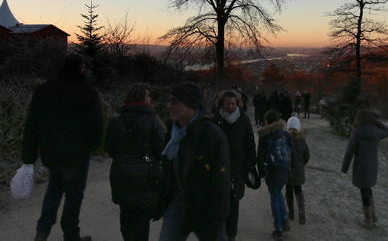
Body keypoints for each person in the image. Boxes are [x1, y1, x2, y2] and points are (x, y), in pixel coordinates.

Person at [21, 53, 103, 241]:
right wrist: (91, 147)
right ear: (81, 69)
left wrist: (29, 155)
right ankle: (71, 235)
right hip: (77, 155)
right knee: (74, 196)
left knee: (54, 190)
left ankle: (42, 232)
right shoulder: (88, 93)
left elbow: (33, 123)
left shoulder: (44, 90)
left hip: (51, 152)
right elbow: (96, 126)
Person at [159, 82, 231, 241]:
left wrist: (218, 216)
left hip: (205, 210)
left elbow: (221, 179)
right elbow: (167, 169)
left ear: (190, 104)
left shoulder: (211, 134)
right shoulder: (172, 131)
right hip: (177, 206)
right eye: (169, 101)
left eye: (174, 102)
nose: (169, 106)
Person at [105, 83, 166, 241]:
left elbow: (110, 149)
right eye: (148, 95)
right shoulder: (154, 121)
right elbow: (161, 149)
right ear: (143, 98)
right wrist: (147, 159)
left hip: (121, 172)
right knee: (141, 221)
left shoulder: (115, 121)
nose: (150, 98)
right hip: (145, 173)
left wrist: (124, 157)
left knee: (126, 215)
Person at [213, 90, 257, 241]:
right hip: (218, 168)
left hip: (238, 168)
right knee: (219, 202)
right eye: (228, 103)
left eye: (233, 103)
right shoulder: (215, 119)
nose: (231, 106)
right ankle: (220, 233)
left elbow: (250, 143)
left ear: (237, 103)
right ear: (222, 104)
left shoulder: (243, 119)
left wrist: (251, 165)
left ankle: (231, 235)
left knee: (233, 202)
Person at [341, 110, 388, 229]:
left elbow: (349, 152)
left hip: (361, 167)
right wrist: (375, 121)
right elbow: (387, 131)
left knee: (364, 191)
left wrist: (344, 168)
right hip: (372, 166)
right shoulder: (376, 132)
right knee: (367, 189)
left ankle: (368, 220)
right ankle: (372, 215)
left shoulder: (357, 133)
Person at [257, 110, 295, 241]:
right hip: (284, 168)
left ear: (267, 121)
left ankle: (278, 227)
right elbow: (292, 151)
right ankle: (284, 219)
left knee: (274, 197)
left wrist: (260, 171)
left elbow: (260, 156)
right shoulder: (285, 134)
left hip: (272, 169)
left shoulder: (264, 136)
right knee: (278, 194)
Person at [285, 116, 310, 225]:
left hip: (288, 171)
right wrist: (302, 164)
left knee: (289, 191)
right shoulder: (302, 140)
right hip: (299, 171)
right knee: (298, 191)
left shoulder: (285, 140)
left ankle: (291, 212)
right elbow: (307, 155)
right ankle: (301, 211)